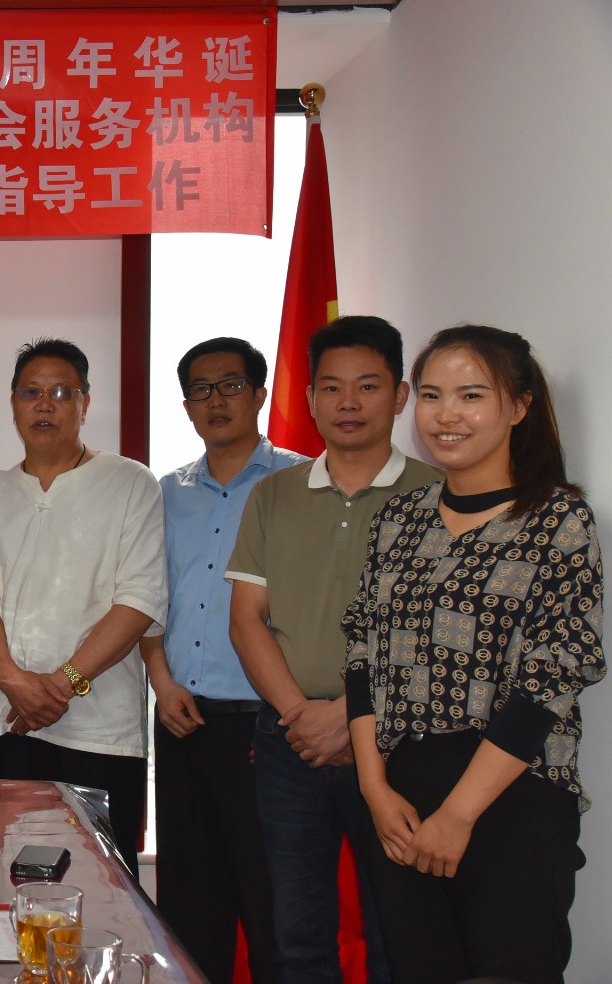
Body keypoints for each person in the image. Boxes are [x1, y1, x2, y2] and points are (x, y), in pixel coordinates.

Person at [344, 325, 603, 984]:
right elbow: (362, 654)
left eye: (471, 395)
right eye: (432, 395)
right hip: (400, 797)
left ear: (519, 407)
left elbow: (552, 677)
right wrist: (374, 788)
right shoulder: (398, 520)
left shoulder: (559, 521)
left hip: (511, 795)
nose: (446, 415)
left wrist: (459, 815)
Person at [227, 315, 439, 984]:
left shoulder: (438, 494)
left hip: (402, 740)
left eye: (368, 386)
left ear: (399, 396)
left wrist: (349, 717)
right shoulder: (274, 494)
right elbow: (247, 621)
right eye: (332, 387)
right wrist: (300, 716)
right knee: (297, 937)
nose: (349, 402)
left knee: (399, 935)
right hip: (289, 744)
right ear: (311, 397)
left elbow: (436, 641)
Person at [0, 338, 166, 876]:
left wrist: (61, 684)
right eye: (31, 393)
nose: (44, 405)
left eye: (61, 393)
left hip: (99, 732)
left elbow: (139, 598)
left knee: (102, 890)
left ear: (85, 403)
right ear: (13, 404)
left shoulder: (130, 482)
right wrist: (12, 679)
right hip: (2, 723)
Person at [143, 337, 302, 984]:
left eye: (231, 385)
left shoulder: (300, 484)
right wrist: (160, 681)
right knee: (189, 904)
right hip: (182, 718)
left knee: (273, 907)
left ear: (260, 394)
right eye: (201, 390)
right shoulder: (165, 493)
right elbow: (146, 599)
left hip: (268, 726)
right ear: (186, 406)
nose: (216, 400)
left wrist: (289, 712)